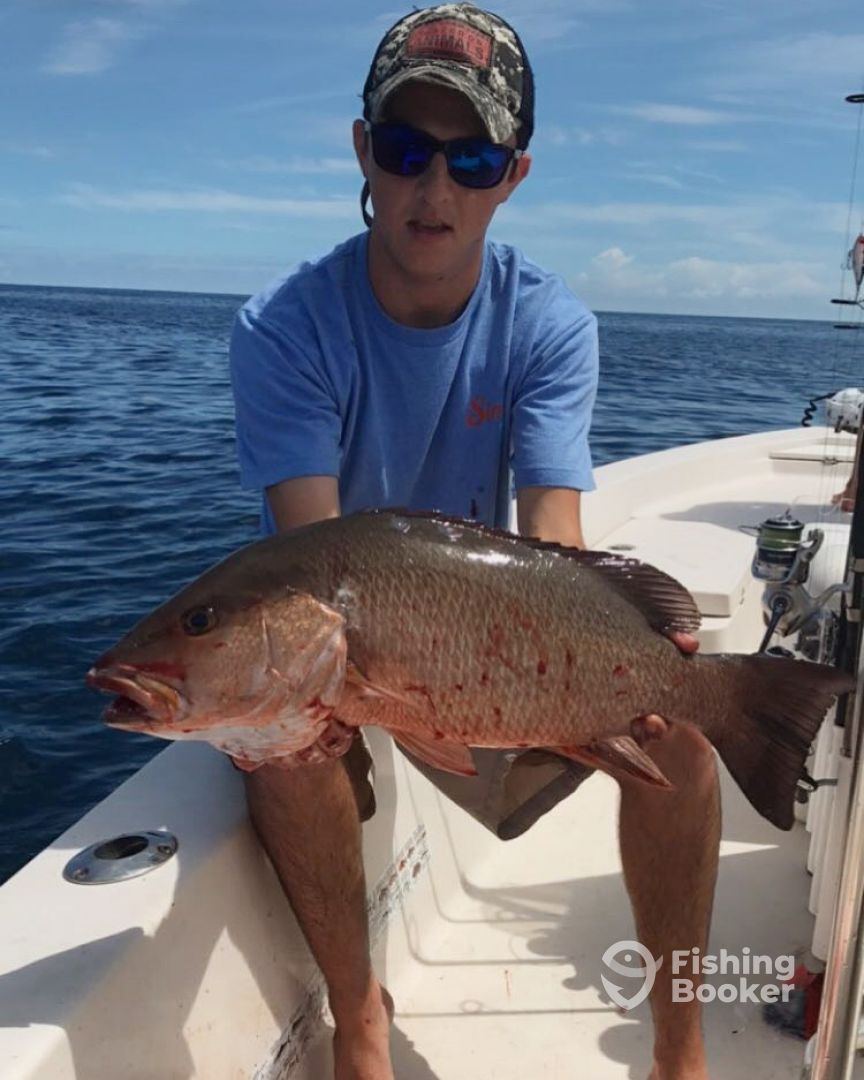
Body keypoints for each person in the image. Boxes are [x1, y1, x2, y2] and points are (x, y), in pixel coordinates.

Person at [229, 6, 719, 1079]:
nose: (434, 187)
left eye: (474, 158)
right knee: (279, 742)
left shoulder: (549, 324)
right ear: (364, 151)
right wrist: (346, 692)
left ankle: (679, 1049)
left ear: (513, 176)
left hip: (477, 650)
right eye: (406, 149)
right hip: (346, 645)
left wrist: (608, 672)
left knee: (679, 743)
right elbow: (312, 556)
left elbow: (554, 536)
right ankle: (360, 1019)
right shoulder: (284, 326)